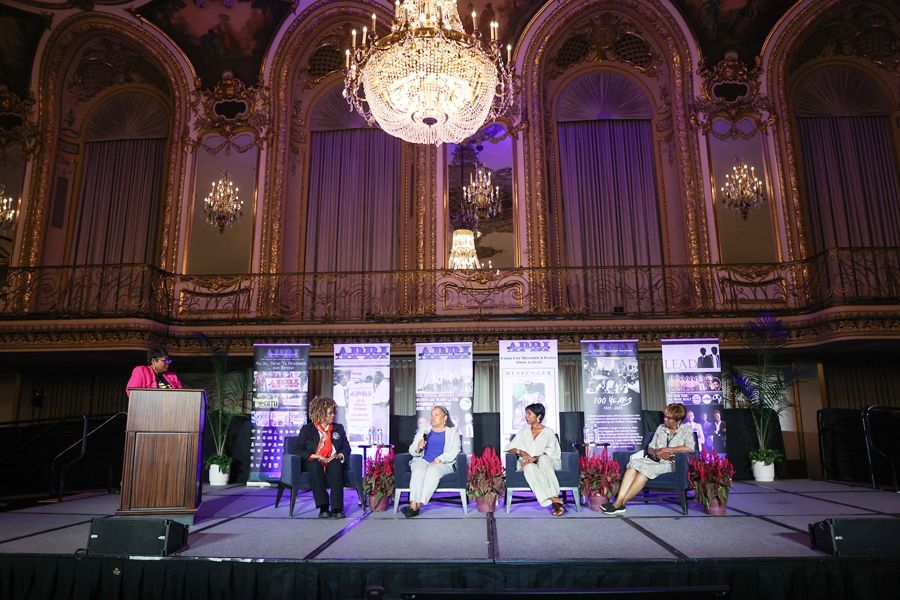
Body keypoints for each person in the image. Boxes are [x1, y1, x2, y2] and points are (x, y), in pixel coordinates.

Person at [602, 403, 695, 514]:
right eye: (665, 416)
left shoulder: (686, 431)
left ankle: (620, 504)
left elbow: (689, 448)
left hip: (670, 463)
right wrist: (657, 453)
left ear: (678, 420)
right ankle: (618, 502)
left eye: (668, 418)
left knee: (643, 472)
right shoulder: (661, 428)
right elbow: (651, 447)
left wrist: (666, 450)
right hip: (654, 459)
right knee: (632, 464)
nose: (665, 419)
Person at [295, 396, 352, 518]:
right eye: (330, 413)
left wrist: (338, 455)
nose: (333, 415)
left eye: (334, 412)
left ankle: (337, 508)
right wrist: (315, 456)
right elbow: (297, 449)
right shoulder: (307, 429)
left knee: (336, 465)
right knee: (314, 466)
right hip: (315, 460)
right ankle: (323, 506)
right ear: (321, 413)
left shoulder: (338, 428)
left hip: (332, 459)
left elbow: (346, 448)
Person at [505, 403, 566, 517]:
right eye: (526, 414)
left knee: (543, 459)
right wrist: (522, 452)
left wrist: (536, 458)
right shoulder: (524, 432)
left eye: (529, 414)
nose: (526, 416)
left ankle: (552, 499)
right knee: (529, 467)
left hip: (547, 463)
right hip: (528, 463)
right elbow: (509, 448)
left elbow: (553, 452)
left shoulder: (548, 432)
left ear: (539, 416)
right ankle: (554, 499)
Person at [402, 406, 460, 518]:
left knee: (433, 470)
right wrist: (418, 448)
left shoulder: (452, 433)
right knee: (418, 470)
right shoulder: (424, 430)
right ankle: (413, 504)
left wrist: (438, 459)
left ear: (445, 417)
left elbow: (455, 451)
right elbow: (412, 450)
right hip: (422, 460)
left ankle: (418, 503)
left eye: (436, 415)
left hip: (443, 463)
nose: (432, 418)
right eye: (431, 415)